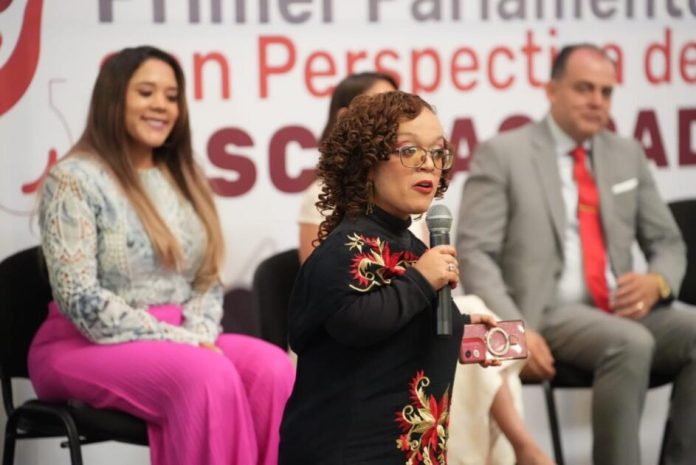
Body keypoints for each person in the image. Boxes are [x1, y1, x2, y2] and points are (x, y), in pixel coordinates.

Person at [28, 45, 295, 465]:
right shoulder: (74, 178)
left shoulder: (183, 177)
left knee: (273, 369)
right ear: (114, 99)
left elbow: (206, 279)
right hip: (82, 342)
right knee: (207, 375)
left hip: (181, 336)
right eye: (146, 92)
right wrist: (183, 341)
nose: (162, 106)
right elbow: (80, 300)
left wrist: (198, 332)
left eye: (171, 96)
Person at [456, 43, 696, 465]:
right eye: (584, 88)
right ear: (552, 90)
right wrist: (515, 330)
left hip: (622, 307)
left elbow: (668, 243)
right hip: (544, 314)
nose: (597, 101)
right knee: (630, 343)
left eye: (606, 92)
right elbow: (475, 253)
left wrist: (657, 281)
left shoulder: (627, 154)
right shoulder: (504, 153)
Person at [279, 90, 497, 464]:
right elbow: (357, 323)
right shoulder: (342, 249)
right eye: (409, 150)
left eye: (438, 152)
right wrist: (422, 280)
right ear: (366, 162)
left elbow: (398, 327)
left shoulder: (414, 248)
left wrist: (462, 327)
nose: (428, 164)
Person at [298, 71, 402, 263]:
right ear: (345, 117)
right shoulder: (321, 195)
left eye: (396, 106)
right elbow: (316, 275)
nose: (392, 118)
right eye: (380, 108)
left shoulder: (409, 186)